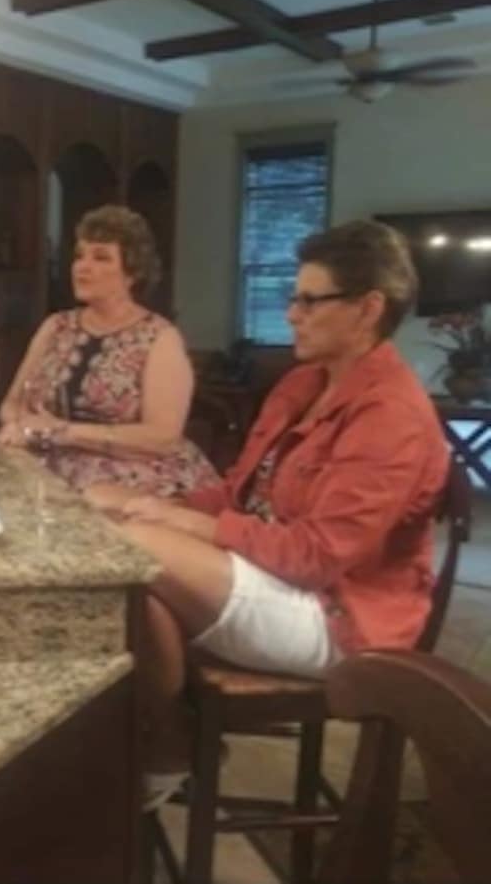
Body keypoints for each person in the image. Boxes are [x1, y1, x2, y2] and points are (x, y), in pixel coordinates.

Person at [96, 220, 449, 806]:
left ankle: (162, 748)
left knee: (132, 549)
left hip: (339, 617)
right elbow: (239, 492)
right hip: (276, 575)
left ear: (368, 309)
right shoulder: (305, 384)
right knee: (138, 576)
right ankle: (163, 741)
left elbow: (315, 558)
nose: (291, 313)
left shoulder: (392, 417)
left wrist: (197, 527)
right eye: (293, 297)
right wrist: (160, 504)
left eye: (310, 300)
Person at [0, 205, 218, 497]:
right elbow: (11, 403)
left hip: (136, 478)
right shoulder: (55, 326)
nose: (82, 267)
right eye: (79, 255)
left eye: (100, 257)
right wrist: (19, 426)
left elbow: (163, 437)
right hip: (50, 466)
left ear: (132, 273)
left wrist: (63, 432)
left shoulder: (159, 338)